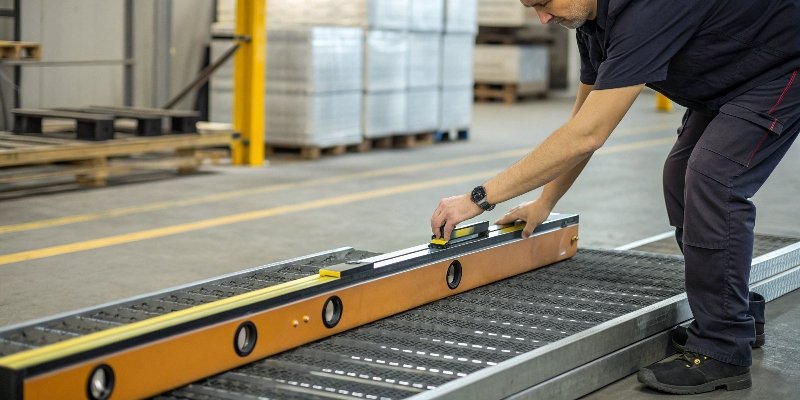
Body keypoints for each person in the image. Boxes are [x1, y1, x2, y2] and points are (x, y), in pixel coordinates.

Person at [430, 0, 800, 394]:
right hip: (731, 79)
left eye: (543, 3)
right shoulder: (591, 24)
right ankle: (735, 312)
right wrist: (545, 202)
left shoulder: (646, 11)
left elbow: (590, 134)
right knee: (679, 178)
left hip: (780, 71)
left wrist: (479, 198)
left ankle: (724, 348)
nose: (543, 18)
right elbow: (580, 126)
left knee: (713, 179)